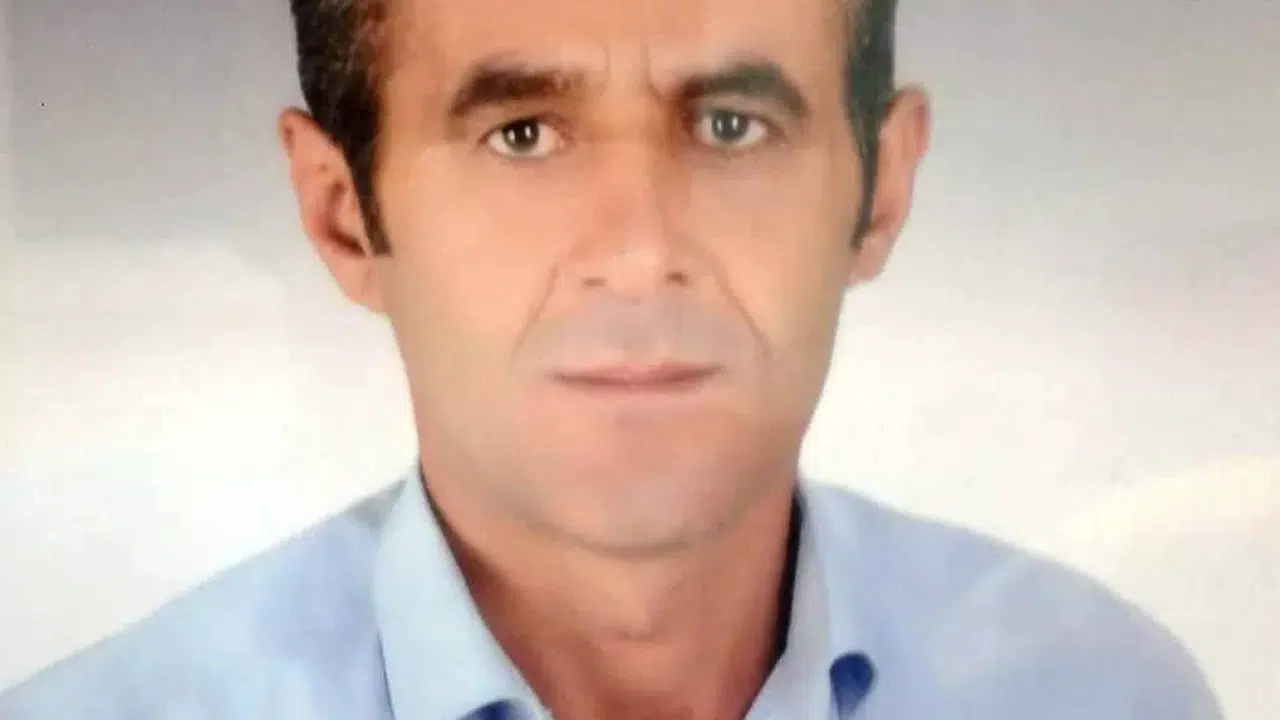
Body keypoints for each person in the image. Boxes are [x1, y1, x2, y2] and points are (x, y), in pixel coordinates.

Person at [1, 0, 1224, 717]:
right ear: (342, 216)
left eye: (732, 124)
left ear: (881, 189)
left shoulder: (1105, 695)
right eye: (521, 134)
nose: (639, 253)